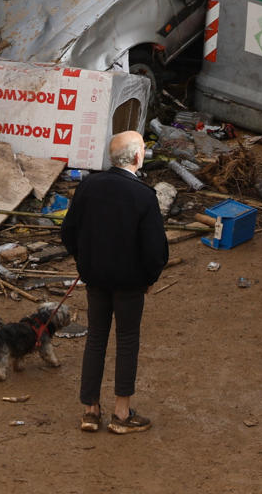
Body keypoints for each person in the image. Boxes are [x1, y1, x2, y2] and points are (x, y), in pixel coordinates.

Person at [60, 130, 168, 434]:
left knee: (96, 337)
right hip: (130, 283)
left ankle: (90, 411)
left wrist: (85, 262)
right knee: (127, 340)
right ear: (136, 157)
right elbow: (155, 249)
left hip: (95, 278)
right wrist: (149, 278)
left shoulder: (88, 186)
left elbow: (69, 232)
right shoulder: (144, 195)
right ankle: (121, 414)